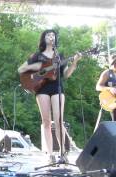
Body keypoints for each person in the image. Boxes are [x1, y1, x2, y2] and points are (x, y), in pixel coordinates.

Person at [18, 29, 82, 163]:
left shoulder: (60, 56)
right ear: (43, 38)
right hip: (42, 88)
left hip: (57, 88)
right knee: (46, 122)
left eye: (53, 35)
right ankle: (50, 154)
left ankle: (63, 153)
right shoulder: (37, 55)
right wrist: (39, 67)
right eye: (48, 34)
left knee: (59, 120)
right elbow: (22, 69)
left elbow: (66, 75)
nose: (51, 36)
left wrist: (74, 63)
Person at [96, 54, 116, 120]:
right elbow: (98, 87)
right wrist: (110, 89)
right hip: (112, 102)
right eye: (114, 63)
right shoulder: (107, 73)